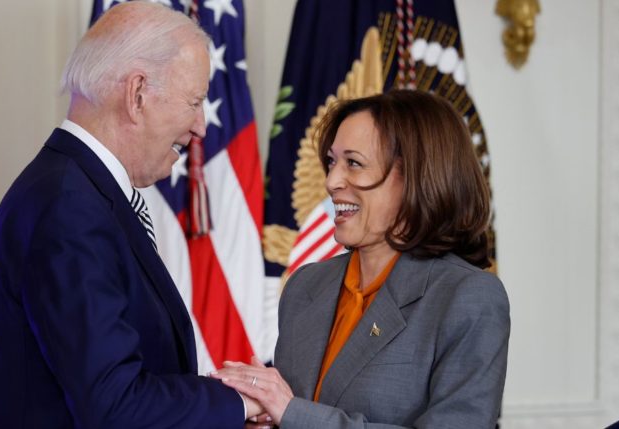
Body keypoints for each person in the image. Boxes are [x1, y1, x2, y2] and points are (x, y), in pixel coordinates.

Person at [0, 2, 261, 427]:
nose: (201, 126)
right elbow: (115, 404)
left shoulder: (75, 190)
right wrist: (241, 399)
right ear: (137, 93)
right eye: (194, 101)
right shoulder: (69, 209)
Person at [212, 89, 510, 428]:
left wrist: (292, 413)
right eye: (331, 162)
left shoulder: (468, 297)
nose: (331, 181)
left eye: (353, 163)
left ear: (416, 176)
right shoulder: (305, 286)